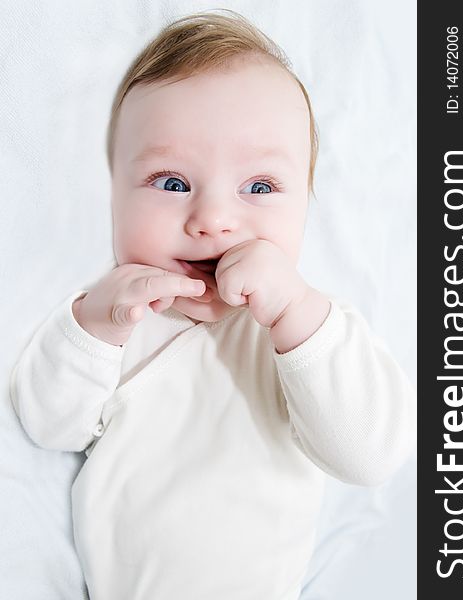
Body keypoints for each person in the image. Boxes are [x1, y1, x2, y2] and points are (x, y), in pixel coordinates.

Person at [10, 9, 416, 599]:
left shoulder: (304, 336)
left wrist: (295, 316)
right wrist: (94, 324)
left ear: (306, 205)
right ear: (113, 196)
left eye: (259, 188)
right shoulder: (118, 319)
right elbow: (48, 425)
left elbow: (371, 456)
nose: (211, 221)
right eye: (171, 183)